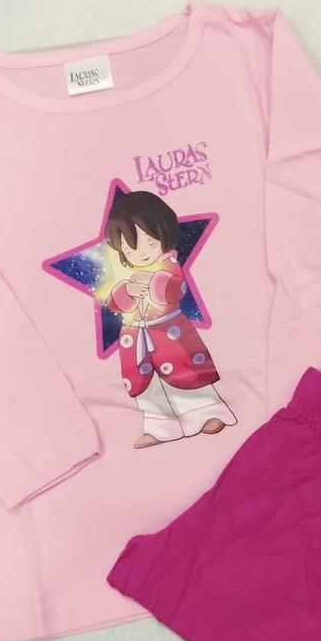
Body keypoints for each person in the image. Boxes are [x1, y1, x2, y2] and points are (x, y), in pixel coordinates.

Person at [105, 191, 236, 448]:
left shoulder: (168, 265)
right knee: (149, 387)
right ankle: (160, 427)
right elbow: (114, 303)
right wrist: (128, 291)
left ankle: (207, 413)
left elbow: (174, 289)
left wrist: (154, 282)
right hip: (137, 339)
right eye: (130, 248)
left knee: (187, 375)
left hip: (170, 334)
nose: (141, 253)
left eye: (149, 242)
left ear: (163, 236)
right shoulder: (128, 275)